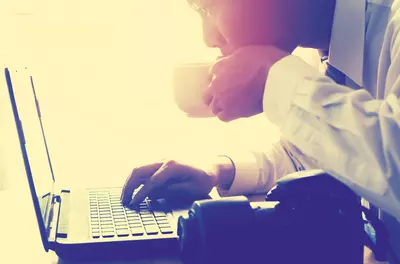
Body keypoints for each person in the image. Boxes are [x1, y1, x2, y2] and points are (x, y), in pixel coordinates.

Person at [121, 0, 400, 259]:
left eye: (210, 7)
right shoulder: (335, 54)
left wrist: (272, 77)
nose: (208, 37)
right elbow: (311, 157)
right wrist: (218, 172)